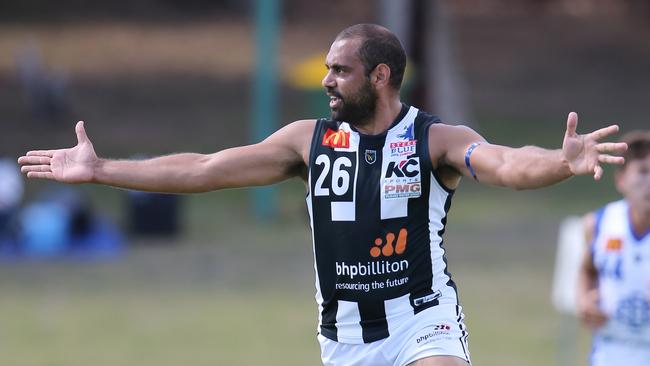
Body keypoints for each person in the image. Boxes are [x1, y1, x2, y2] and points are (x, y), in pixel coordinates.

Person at [18, 24, 627, 366]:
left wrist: (559, 162)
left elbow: (505, 163)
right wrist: (100, 170)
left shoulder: (435, 139)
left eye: (340, 70)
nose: (327, 79)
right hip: (345, 339)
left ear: (380, 76)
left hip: (423, 323)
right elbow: (203, 168)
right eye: (328, 69)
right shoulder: (306, 142)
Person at [576, 131, 650, 366]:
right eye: (643, 172)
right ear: (621, 180)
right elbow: (587, 271)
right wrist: (584, 300)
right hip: (610, 351)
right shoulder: (598, 223)